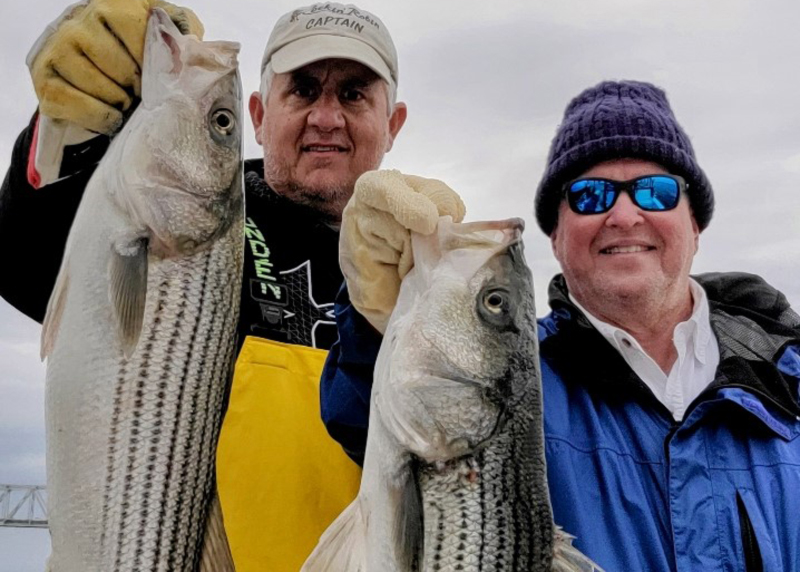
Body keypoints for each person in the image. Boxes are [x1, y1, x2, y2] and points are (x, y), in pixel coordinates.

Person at [0, 1, 462, 570]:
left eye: (353, 95)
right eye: (303, 90)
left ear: (392, 125)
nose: (325, 116)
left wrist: (421, 300)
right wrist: (71, 131)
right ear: (260, 114)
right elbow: (28, 264)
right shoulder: (194, 226)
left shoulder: (420, 277)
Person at [320, 80, 800, 571]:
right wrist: (374, 316)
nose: (624, 214)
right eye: (591, 196)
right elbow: (372, 415)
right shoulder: (522, 379)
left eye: (655, 191)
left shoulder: (790, 381)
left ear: (694, 224)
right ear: (556, 236)